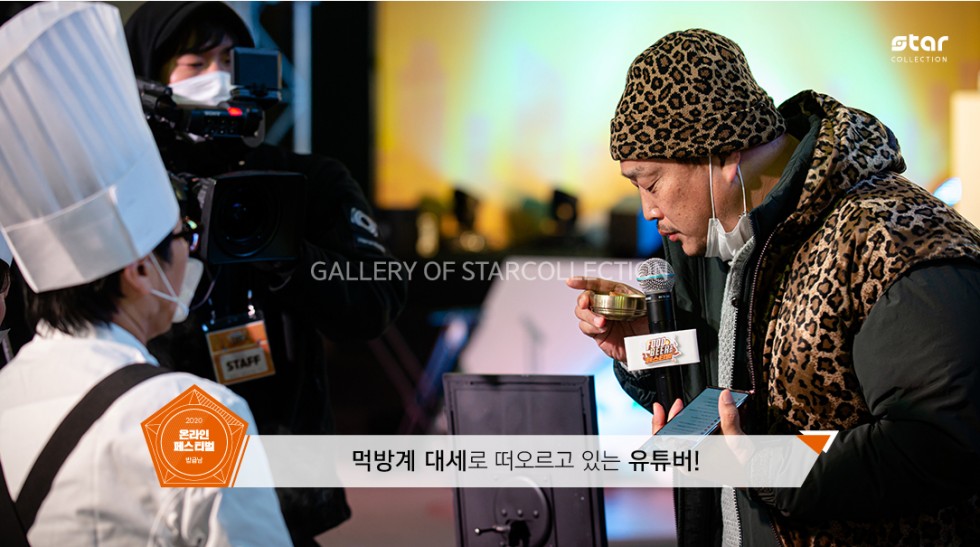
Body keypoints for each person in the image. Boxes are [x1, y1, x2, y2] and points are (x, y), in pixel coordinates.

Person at [569, 28, 980, 545]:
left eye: (651, 183)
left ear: (722, 156)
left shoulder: (895, 238)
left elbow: (944, 443)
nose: (648, 210)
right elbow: (719, 399)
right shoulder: (711, 239)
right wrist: (646, 350)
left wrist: (771, 465)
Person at [0, 3, 291, 545]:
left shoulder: (7, 393)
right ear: (139, 270)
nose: (192, 254)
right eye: (183, 237)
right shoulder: (195, 418)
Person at [124, 2, 408, 543]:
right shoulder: (124, 189)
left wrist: (285, 254)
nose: (218, 77)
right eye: (195, 63)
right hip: (150, 474)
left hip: (279, 485)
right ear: (146, 77)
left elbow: (376, 299)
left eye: (232, 60)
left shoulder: (306, 180)